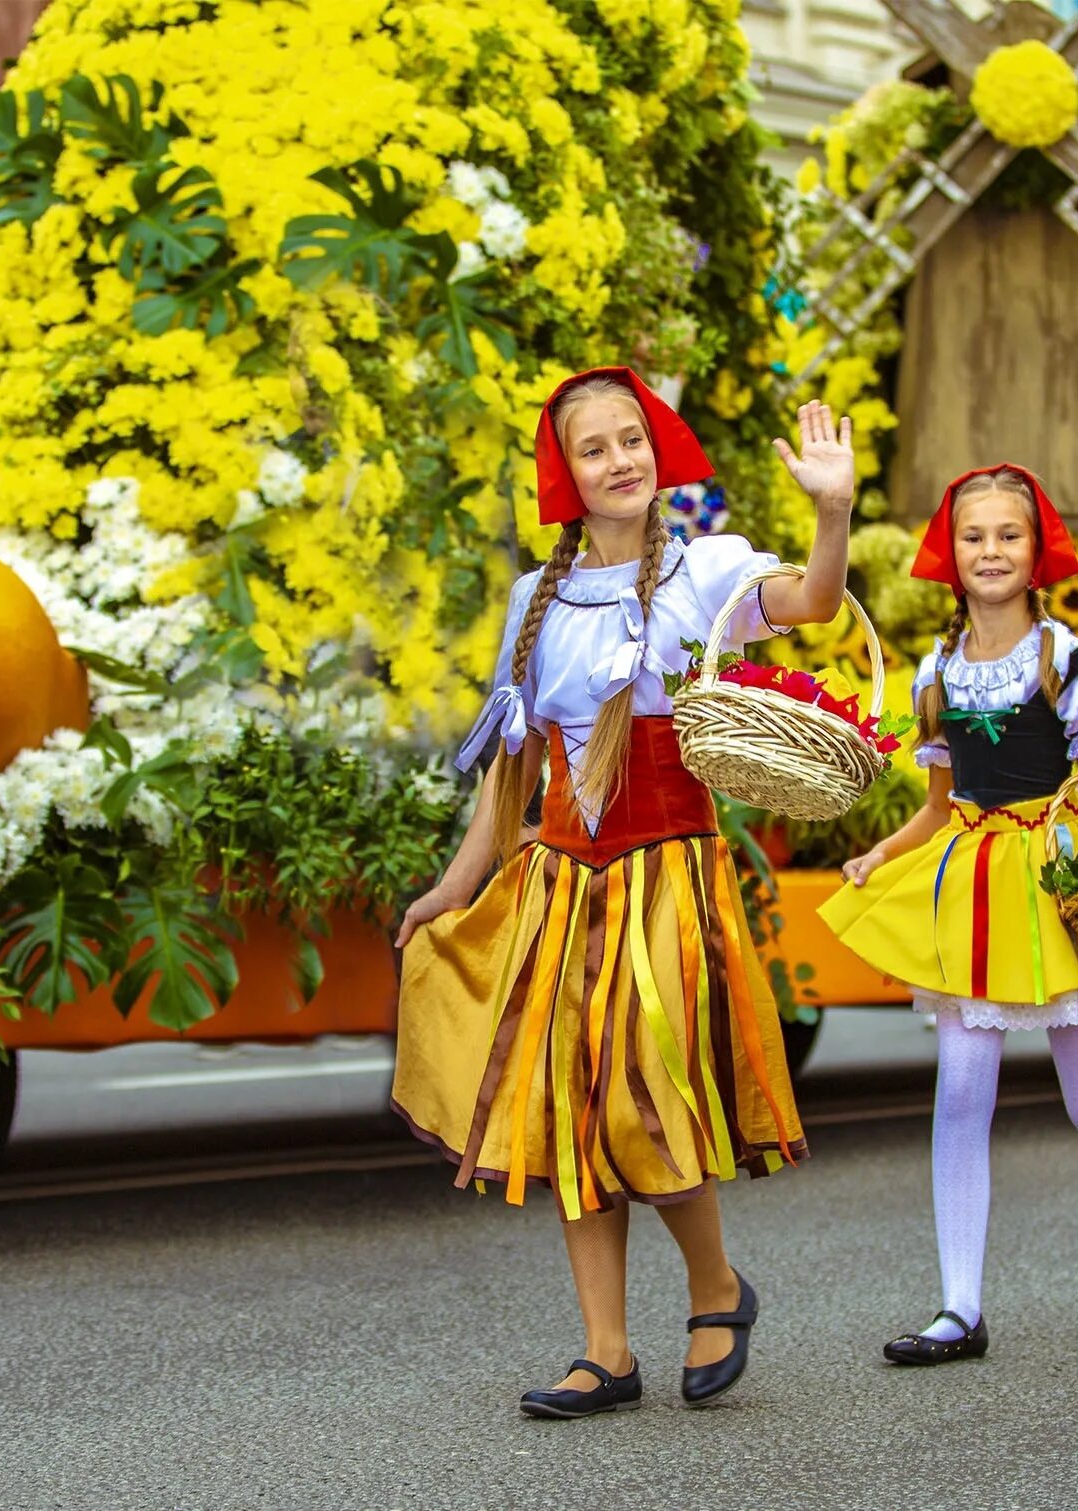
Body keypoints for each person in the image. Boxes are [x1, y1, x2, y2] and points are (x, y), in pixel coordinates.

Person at [392, 370, 855, 1418]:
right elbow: (515, 772)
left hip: (665, 882)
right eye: (594, 447)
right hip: (561, 882)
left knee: (648, 1097)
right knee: (568, 1110)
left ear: (659, 451)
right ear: (566, 473)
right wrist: (453, 886)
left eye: (631, 438)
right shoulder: (535, 599)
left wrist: (830, 509)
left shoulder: (707, 570)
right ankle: (605, 1348)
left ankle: (714, 1283)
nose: (619, 460)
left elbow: (813, 603)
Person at [821, 465, 1078, 1362]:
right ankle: (959, 1304)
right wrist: (885, 851)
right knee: (960, 1090)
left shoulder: (1068, 657)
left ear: (1037, 552)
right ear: (949, 555)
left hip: (1060, 871)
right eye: (973, 536)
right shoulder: (937, 668)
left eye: (1008, 535)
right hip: (972, 880)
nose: (990, 550)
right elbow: (943, 803)